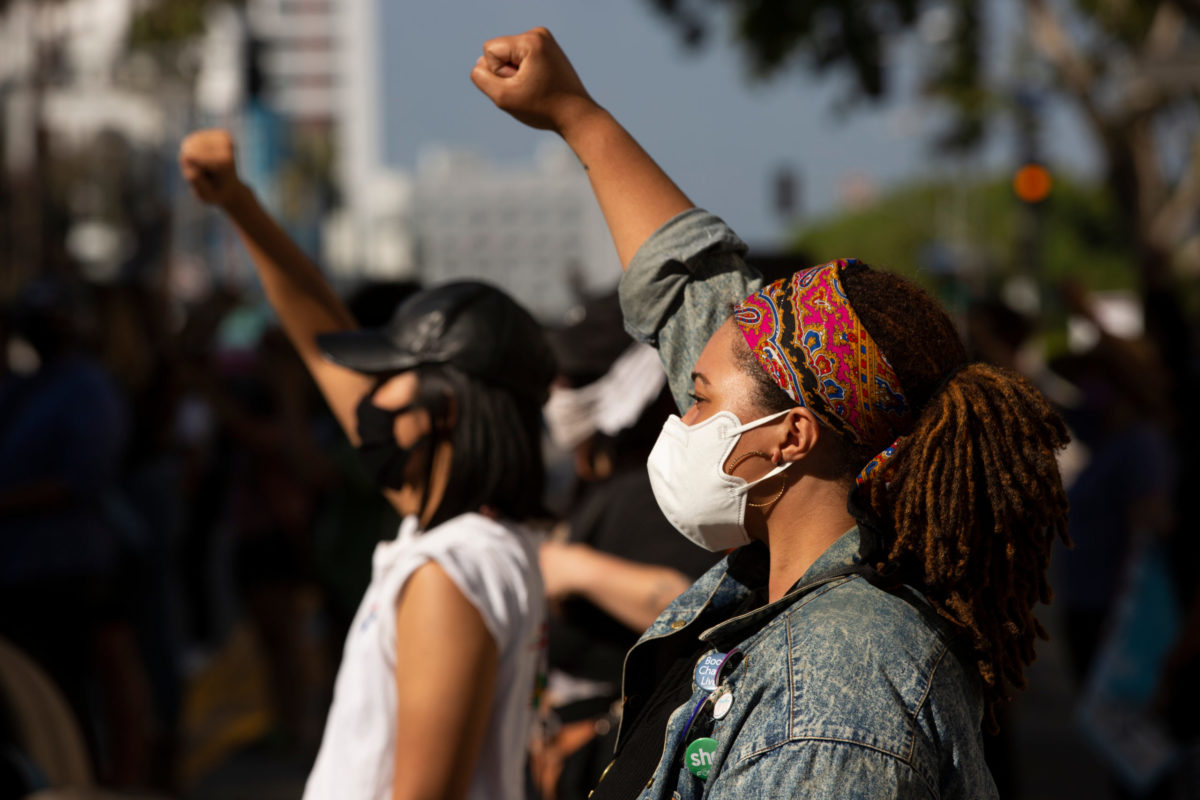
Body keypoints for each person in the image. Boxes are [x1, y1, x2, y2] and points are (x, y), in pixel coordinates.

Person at [473, 29, 1070, 799]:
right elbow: (691, 288)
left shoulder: (836, 693)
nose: (680, 420)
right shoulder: (796, 579)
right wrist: (574, 114)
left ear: (792, 436)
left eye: (698, 398)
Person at [178, 130, 555, 800]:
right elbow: (324, 347)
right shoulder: (475, 542)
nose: (370, 400)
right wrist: (238, 203)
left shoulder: (450, 573)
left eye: (390, 379)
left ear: (442, 408)